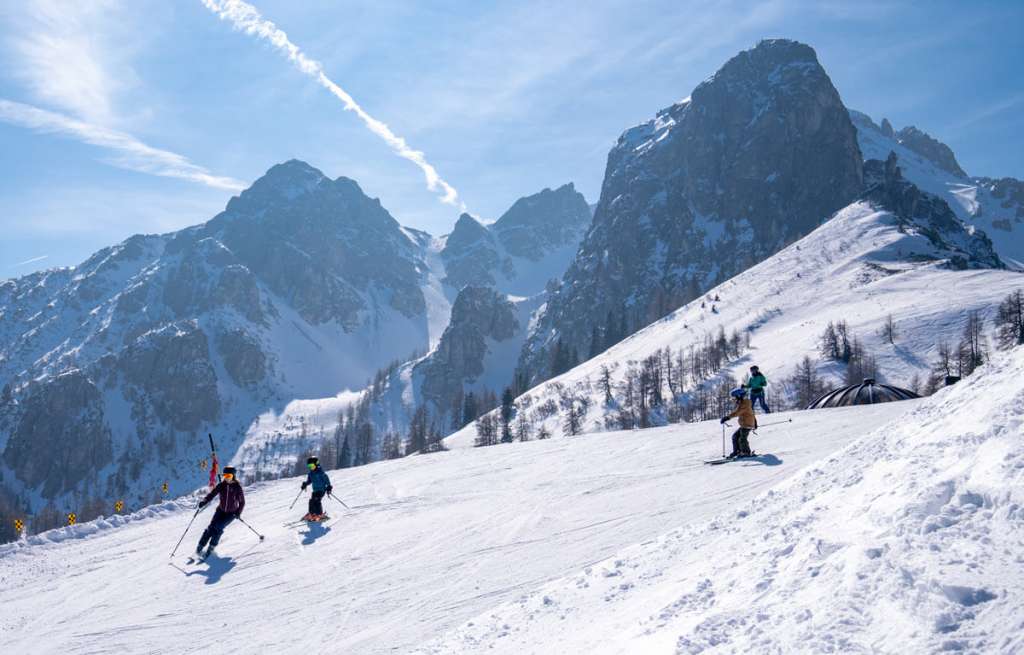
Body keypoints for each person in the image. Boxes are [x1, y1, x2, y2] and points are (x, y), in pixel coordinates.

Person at [196, 465, 244, 558]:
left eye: (228, 476)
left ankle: (211, 547)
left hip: (231, 513)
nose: (226, 478)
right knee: (211, 527)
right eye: (225, 476)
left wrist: (238, 513)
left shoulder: (237, 487)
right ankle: (200, 545)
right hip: (221, 510)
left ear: (233, 476)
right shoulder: (222, 485)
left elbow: (242, 502)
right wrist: (204, 501)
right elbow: (212, 494)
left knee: (219, 527)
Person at [721, 387, 758, 458]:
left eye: (734, 398)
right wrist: (755, 422)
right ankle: (737, 451)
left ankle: (746, 452)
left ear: (739, 396)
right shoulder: (742, 403)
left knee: (742, 438)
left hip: (747, 424)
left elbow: (737, 413)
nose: (734, 400)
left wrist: (727, 417)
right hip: (744, 424)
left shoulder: (744, 404)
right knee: (735, 436)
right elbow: (751, 413)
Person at [301, 456, 333, 521]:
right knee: (311, 501)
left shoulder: (321, 473)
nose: (311, 468)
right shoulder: (311, 473)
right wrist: (305, 484)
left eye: (312, 466)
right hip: (315, 490)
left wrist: (329, 487)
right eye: (309, 466)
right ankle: (312, 513)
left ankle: (320, 514)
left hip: (321, 490)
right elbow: (309, 481)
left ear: (316, 464)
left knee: (317, 501)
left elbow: (327, 480)